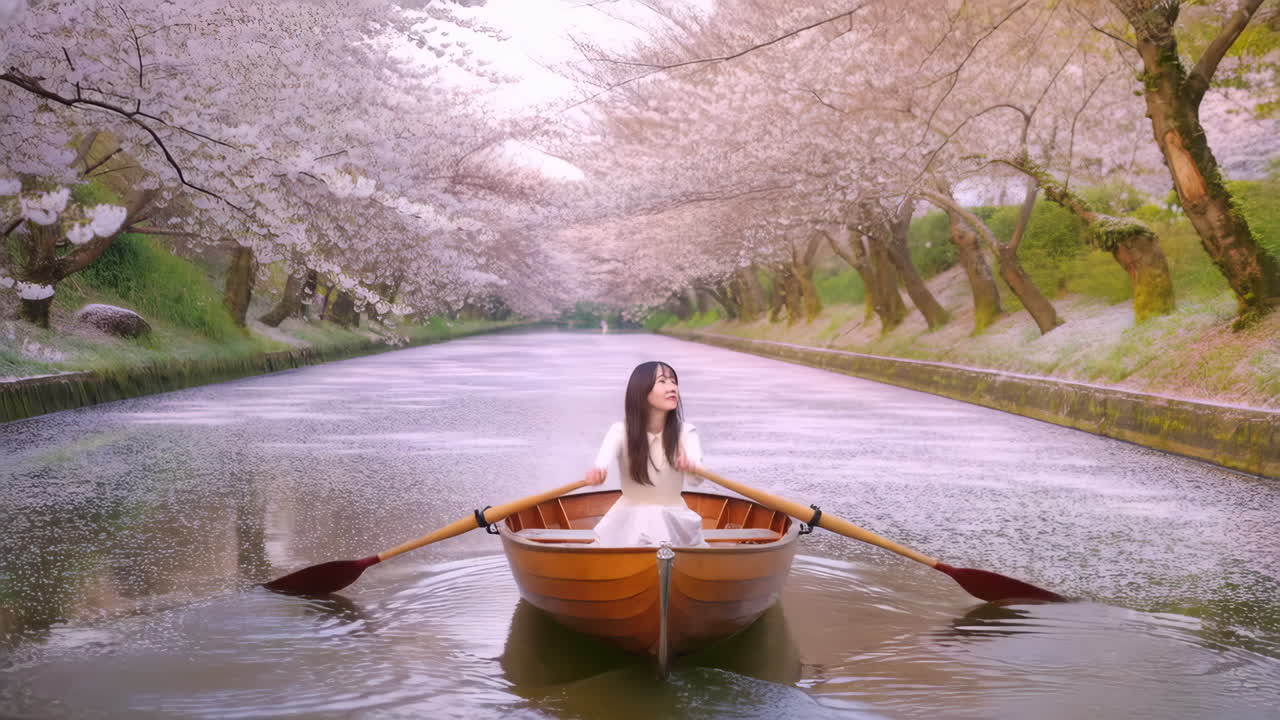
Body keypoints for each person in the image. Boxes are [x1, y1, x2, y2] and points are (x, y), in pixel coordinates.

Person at [583, 361, 706, 546]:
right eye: (663, 381)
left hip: (674, 519)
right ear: (642, 390)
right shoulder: (619, 431)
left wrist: (691, 467)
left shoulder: (686, 432)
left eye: (674, 382)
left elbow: (697, 480)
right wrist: (598, 473)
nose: (672, 388)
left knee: (661, 525)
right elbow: (602, 462)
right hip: (629, 519)